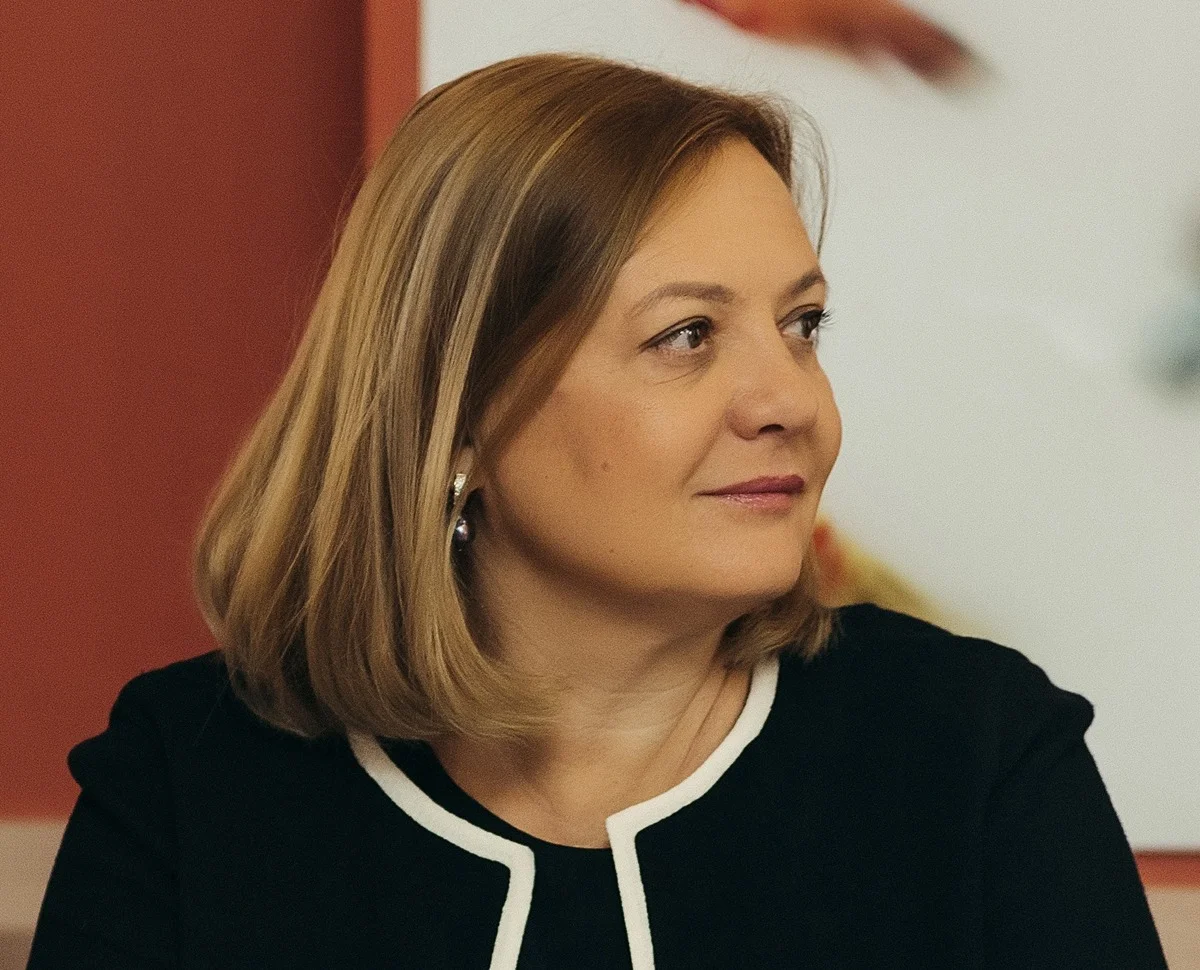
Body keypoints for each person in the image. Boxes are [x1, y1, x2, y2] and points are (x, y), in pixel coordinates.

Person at [28, 52, 1167, 969]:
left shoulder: (976, 756)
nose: (789, 402)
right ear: (457, 414)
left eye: (802, 325)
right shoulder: (188, 781)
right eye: (687, 335)